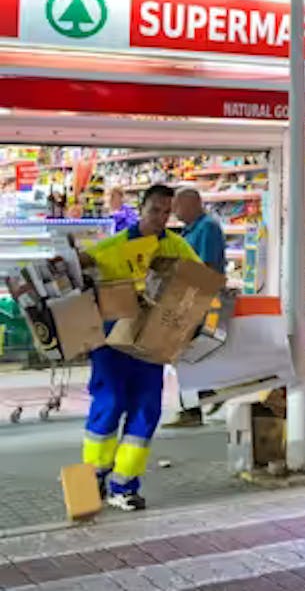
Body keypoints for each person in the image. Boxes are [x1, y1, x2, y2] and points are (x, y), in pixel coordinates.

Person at [82, 184, 200, 511]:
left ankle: (124, 485)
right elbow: (82, 271)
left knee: (147, 409)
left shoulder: (178, 248)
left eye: (166, 212)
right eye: (155, 211)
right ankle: (93, 477)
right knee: (110, 402)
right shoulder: (112, 248)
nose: (161, 218)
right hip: (110, 342)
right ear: (140, 208)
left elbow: (199, 285)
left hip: (151, 344)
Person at [164, 188, 226, 429]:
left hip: (200, 298)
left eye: (177, 206)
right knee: (189, 353)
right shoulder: (193, 230)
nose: (174, 212)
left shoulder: (206, 228)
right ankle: (204, 394)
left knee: (188, 353)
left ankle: (193, 407)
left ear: (191, 204)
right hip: (191, 296)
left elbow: (206, 265)